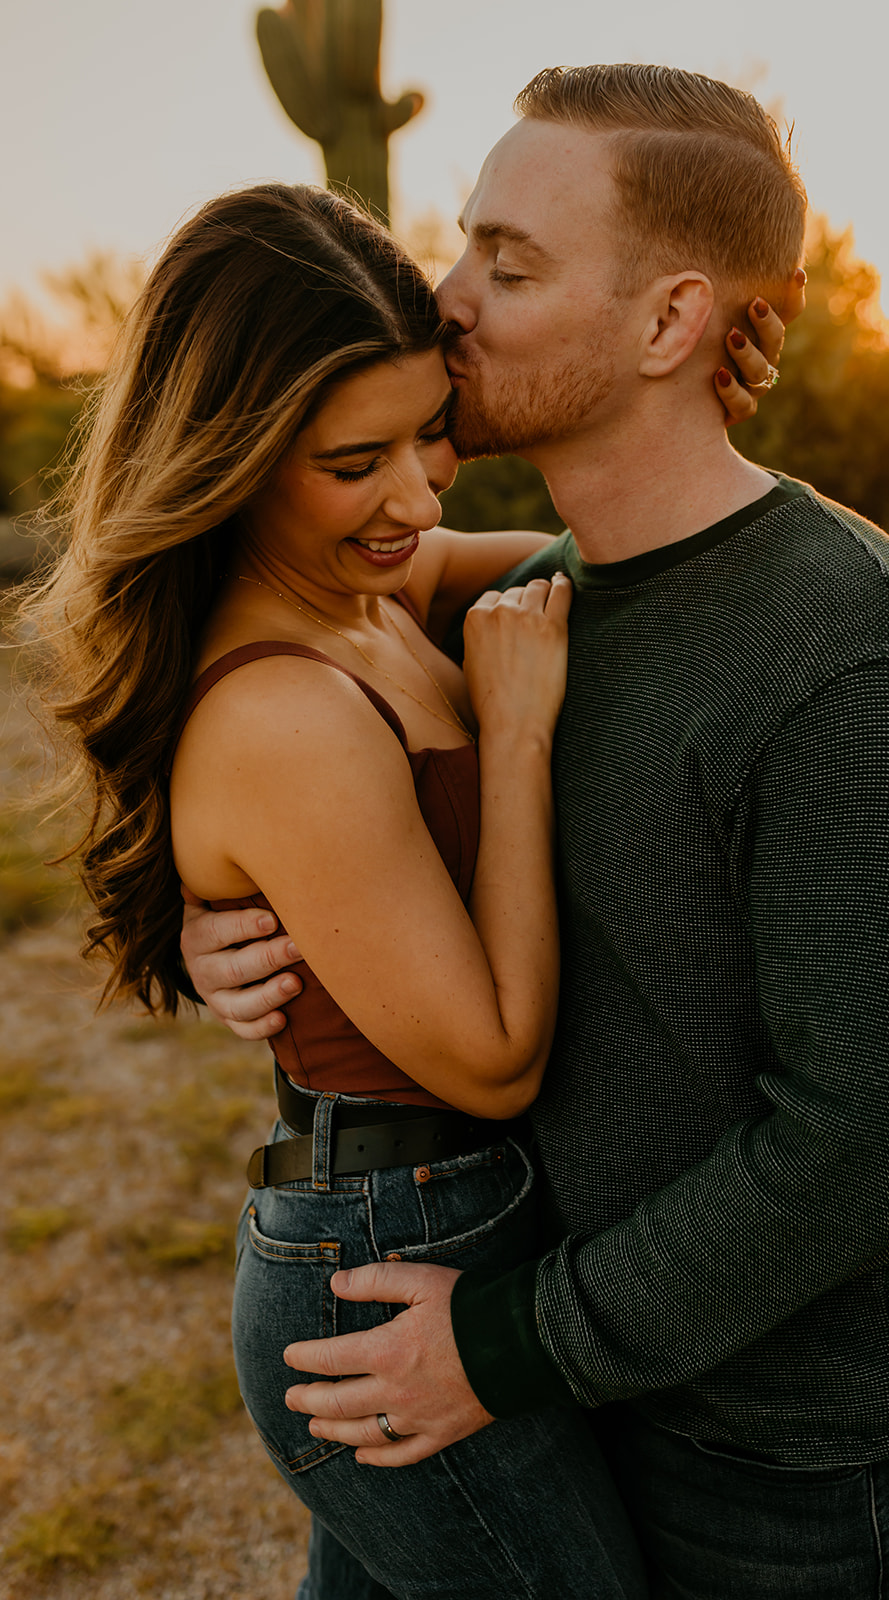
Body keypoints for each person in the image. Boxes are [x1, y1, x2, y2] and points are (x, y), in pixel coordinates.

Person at [186, 65, 889, 1599]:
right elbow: (268, 640)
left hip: (773, 1459)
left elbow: (862, 1151)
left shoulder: (851, 656)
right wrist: (224, 916)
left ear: (669, 324)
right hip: (529, 1381)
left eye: (509, 267)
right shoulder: (531, 601)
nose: (444, 303)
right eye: (461, 247)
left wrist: (510, 1347)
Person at [28, 179, 783, 1599]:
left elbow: (637, 572)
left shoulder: (375, 590)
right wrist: (514, 731)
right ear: (231, 453)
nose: (420, 499)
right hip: (383, 1256)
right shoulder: (283, 713)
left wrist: (683, 413)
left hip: (458, 1219)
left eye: (430, 438)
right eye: (352, 460)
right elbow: (495, 1058)